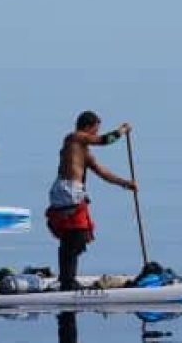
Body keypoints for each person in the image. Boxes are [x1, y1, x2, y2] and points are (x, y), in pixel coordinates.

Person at [47, 111, 137, 291]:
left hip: (69, 191)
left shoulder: (83, 153)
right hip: (68, 190)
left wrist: (126, 183)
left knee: (74, 236)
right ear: (87, 127)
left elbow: (103, 173)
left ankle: (67, 278)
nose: (96, 134)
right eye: (95, 129)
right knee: (77, 233)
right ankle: (67, 281)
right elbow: (104, 140)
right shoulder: (74, 138)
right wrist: (122, 130)